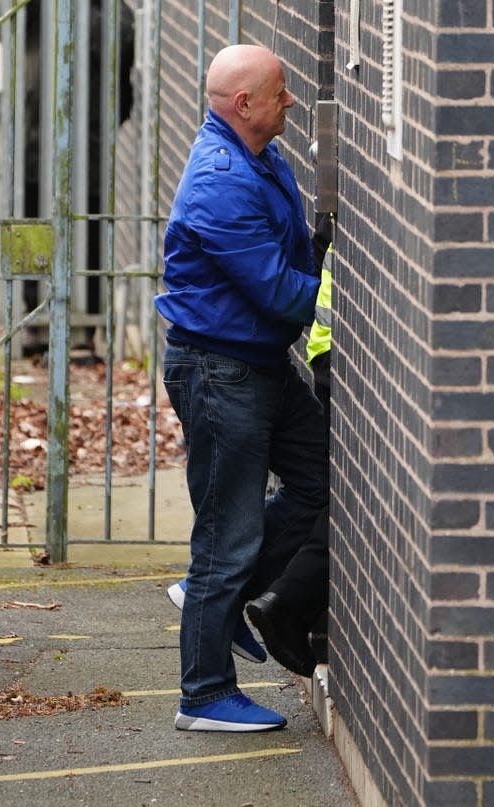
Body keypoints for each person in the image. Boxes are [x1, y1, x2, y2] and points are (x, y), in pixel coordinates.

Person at [155, 44, 329, 733]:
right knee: (226, 538)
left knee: (320, 476)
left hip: (257, 363)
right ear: (243, 104)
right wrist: (343, 295)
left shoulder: (262, 154)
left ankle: (220, 598)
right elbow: (281, 293)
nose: (292, 100)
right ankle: (201, 693)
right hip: (219, 370)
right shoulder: (221, 181)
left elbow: (292, 252)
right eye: (280, 91)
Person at [0, 0, 135, 357]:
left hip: (88, 144)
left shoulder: (107, 10)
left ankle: (83, 329)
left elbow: (121, 39)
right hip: (34, 141)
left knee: (90, 233)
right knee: (31, 226)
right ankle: (34, 322)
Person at [246, 221, 333, 679]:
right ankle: (251, 592)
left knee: (327, 489)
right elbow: (273, 285)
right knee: (342, 495)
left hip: (329, 351)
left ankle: (249, 589)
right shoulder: (223, 174)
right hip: (338, 354)